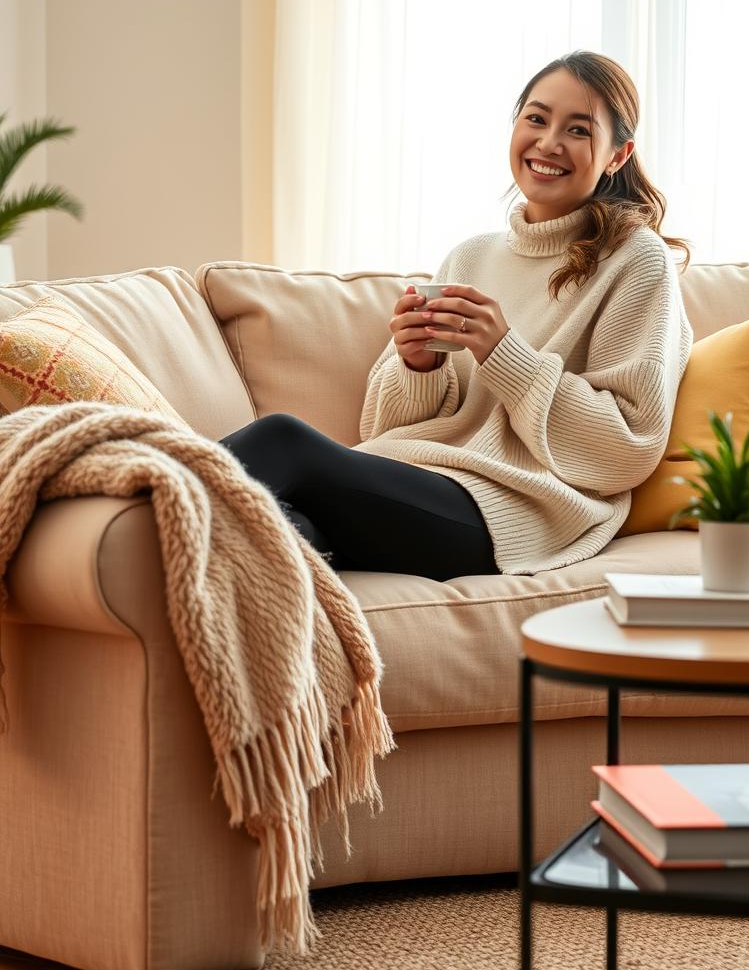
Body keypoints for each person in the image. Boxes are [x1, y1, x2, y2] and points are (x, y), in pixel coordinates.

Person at [221, 50, 692, 581]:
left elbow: (626, 448)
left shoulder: (637, 260)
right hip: (414, 481)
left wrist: (504, 355)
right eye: (536, 118)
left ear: (617, 154)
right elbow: (381, 429)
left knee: (282, 441)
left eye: (578, 130)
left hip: (510, 512)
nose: (548, 142)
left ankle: (128, 479)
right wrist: (417, 365)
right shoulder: (471, 256)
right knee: (278, 531)